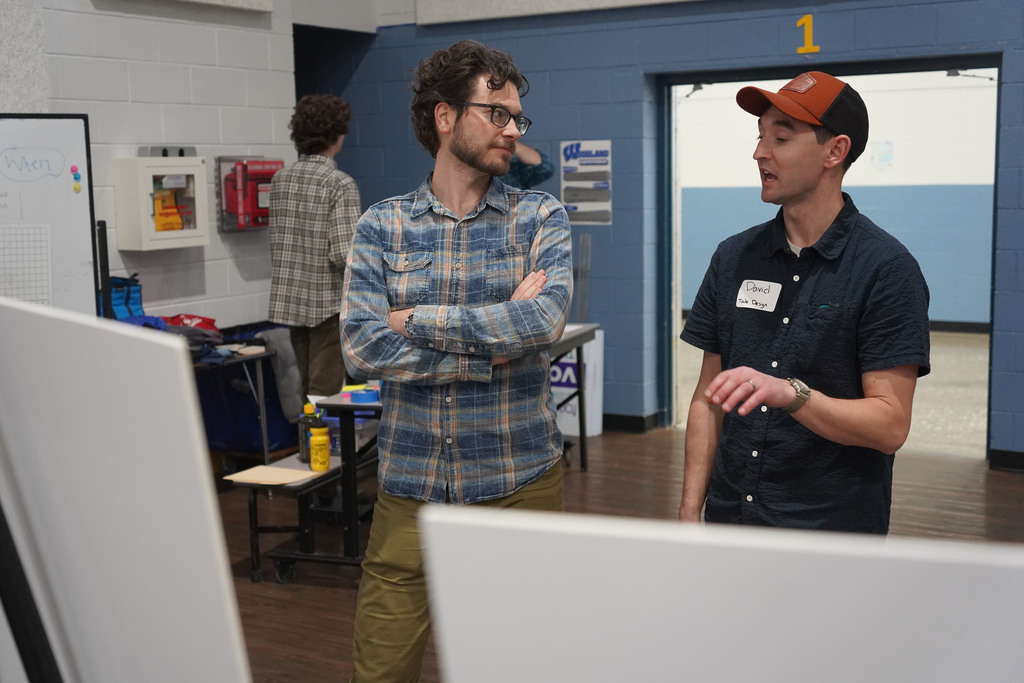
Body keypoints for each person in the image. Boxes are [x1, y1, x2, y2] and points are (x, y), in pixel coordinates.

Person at [340, 39, 573, 681]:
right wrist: (487, 355)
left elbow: (542, 321)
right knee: (379, 671)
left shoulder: (540, 217)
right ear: (445, 117)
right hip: (409, 486)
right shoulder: (382, 225)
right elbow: (361, 346)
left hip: (518, 480)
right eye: (497, 113)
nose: (513, 130)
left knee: (521, 665)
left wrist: (412, 320)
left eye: (517, 117)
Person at [678, 71, 930, 534]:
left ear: (835, 151)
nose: (760, 152)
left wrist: (791, 395)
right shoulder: (733, 257)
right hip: (730, 520)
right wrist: (690, 512)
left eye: (781, 137)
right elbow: (708, 400)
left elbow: (890, 425)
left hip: (828, 533)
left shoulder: (887, 269)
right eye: (759, 136)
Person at [268, 94, 360, 399]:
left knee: (306, 387)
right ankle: (319, 433)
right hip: (328, 304)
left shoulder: (280, 179)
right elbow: (344, 253)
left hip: (293, 302)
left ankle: (307, 432)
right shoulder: (339, 183)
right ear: (337, 134)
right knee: (325, 392)